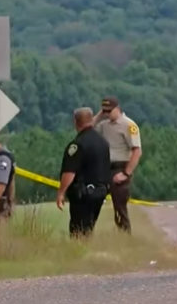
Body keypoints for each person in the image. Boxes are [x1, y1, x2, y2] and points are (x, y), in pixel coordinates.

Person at [57, 107, 112, 237]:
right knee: (89, 228)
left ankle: (79, 253)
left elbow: (69, 172)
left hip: (83, 194)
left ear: (75, 122)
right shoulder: (103, 142)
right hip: (100, 192)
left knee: (78, 230)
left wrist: (61, 192)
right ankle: (86, 252)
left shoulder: (78, 144)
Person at [94, 96, 142, 234]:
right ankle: (85, 233)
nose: (107, 114)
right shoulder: (103, 125)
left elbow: (137, 151)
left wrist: (126, 173)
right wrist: (99, 115)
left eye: (110, 111)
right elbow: (86, 129)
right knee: (93, 201)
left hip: (120, 168)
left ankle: (125, 236)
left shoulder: (129, 125)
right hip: (104, 168)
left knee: (120, 208)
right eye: (105, 111)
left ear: (117, 108)